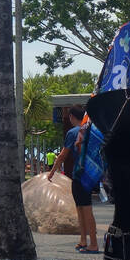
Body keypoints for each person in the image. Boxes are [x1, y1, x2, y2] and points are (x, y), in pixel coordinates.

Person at [49, 106, 98, 252]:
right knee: (82, 208)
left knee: (84, 209)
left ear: (71, 117)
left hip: (79, 174)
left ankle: (93, 244)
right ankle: (83, 240)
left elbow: (63, 155)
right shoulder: (91, 131)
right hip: (91, 174)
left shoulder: (73, 132)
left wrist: (51, 173)